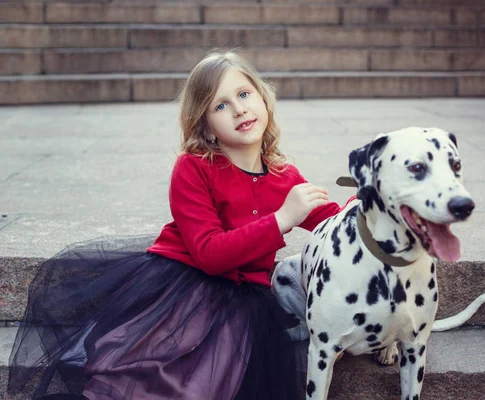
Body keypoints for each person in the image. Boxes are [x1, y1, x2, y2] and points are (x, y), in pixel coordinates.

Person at [8, 51, 354, 400]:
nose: (238, 109)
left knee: (208, 384)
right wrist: (281, 220)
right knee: (142, 378)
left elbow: (338, 223)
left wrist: (374, 196)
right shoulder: (194, 168)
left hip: (245, 305)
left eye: (244, 94)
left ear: (263, 98)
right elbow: (209, 253)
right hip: (183, 290)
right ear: (204, 125)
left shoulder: (285, 177)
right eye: (220, 106)